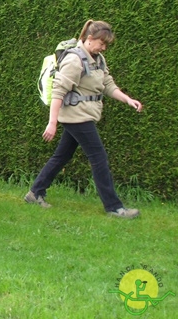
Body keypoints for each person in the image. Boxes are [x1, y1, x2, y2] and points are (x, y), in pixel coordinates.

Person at [25, 20, 143, 218]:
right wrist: (52, 122)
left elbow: (108, 84)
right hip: (76, 116)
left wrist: (127, 99)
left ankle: (35, 192)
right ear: (89, 39)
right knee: (99, 157)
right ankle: (114, 207)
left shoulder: (98, 59)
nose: (104, 47)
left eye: (106, 44)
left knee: (62, 155)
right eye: (102, 43)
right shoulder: (74, 60)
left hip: (84, 115)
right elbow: (58, 92)